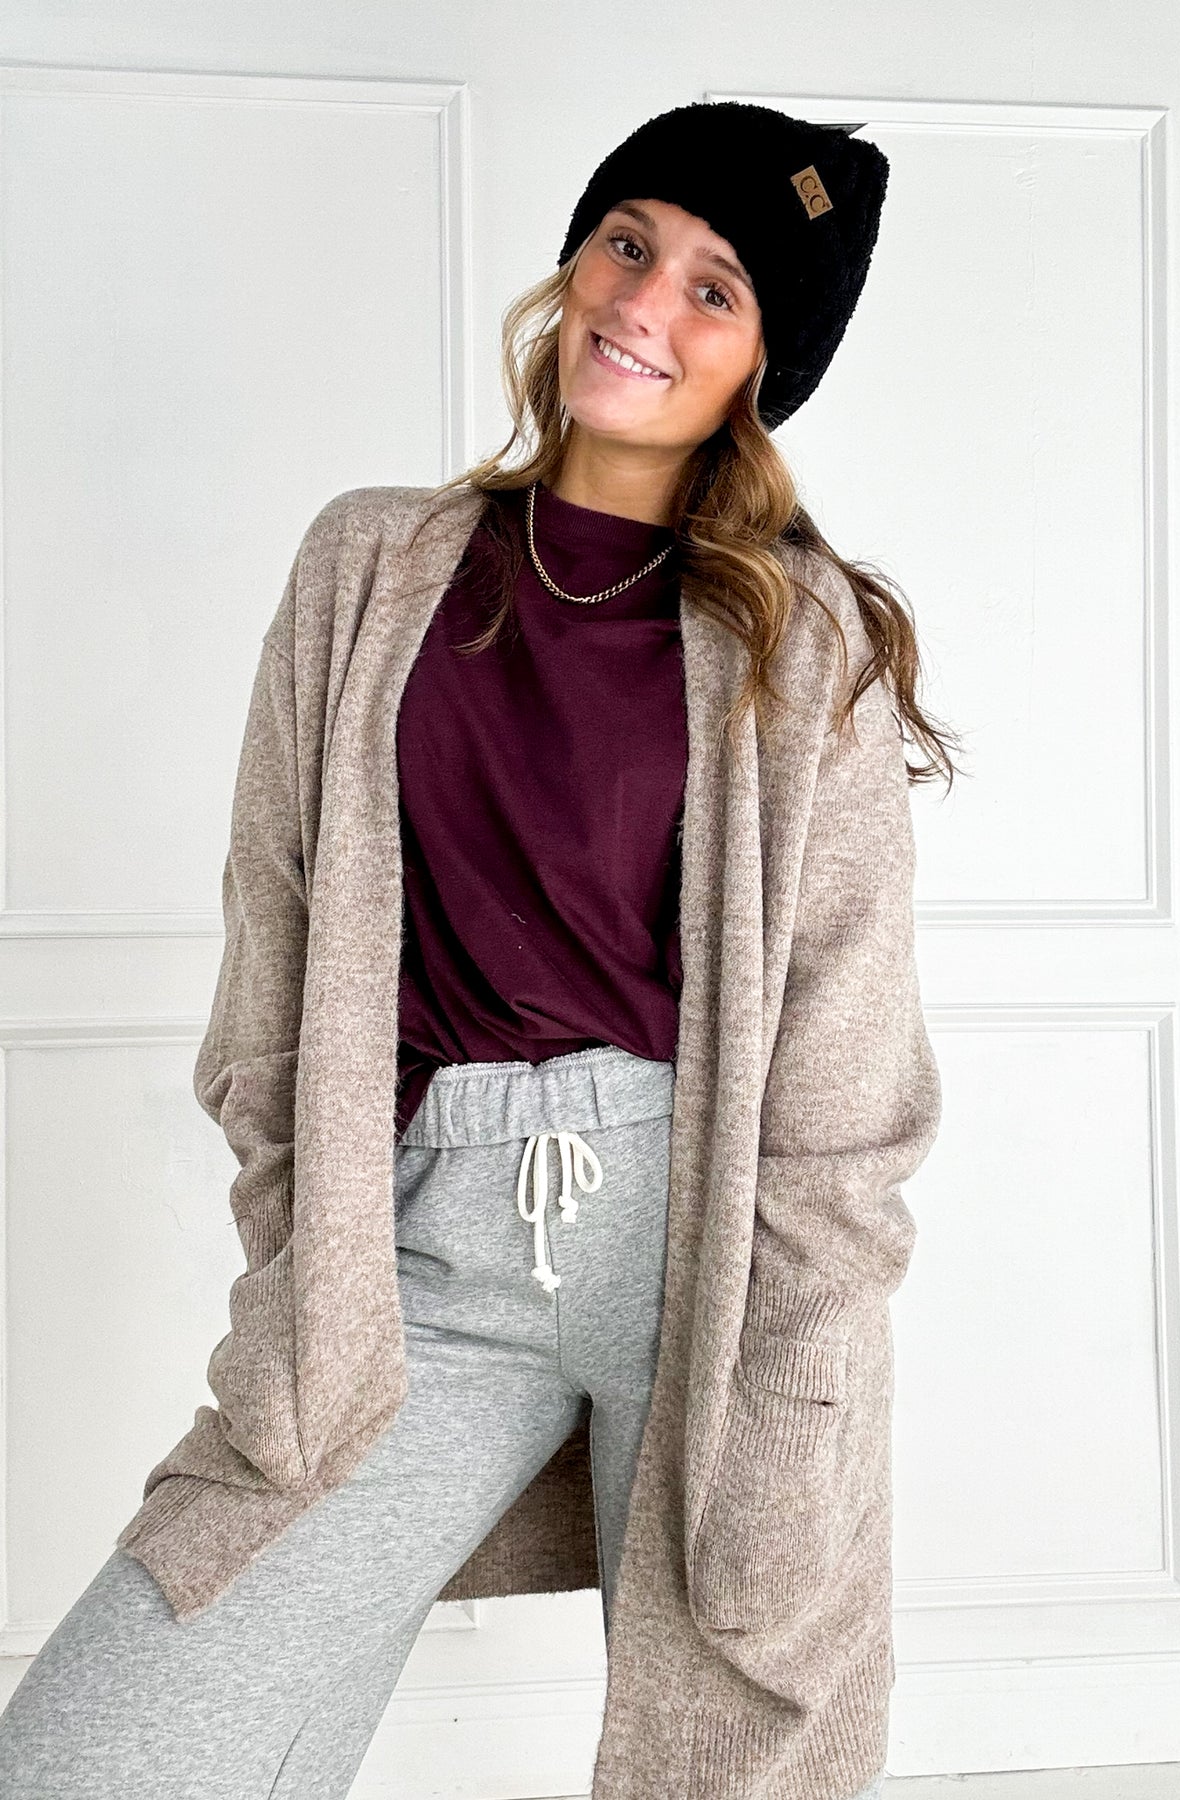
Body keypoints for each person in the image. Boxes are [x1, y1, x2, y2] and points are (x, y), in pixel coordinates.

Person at [0, 101, 957, 1799]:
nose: (644, 304)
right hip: (421, 1253)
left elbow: (846, 1076)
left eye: (716, 287)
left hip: (706, 1264)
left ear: (762, 365)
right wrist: (301, 1264)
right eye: (628, 244)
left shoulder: (804, 640)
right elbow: (276, 955)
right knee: (98, 1752)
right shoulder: (369, 565)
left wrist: (796, 1391)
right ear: (573, 264)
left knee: (731, 1752)